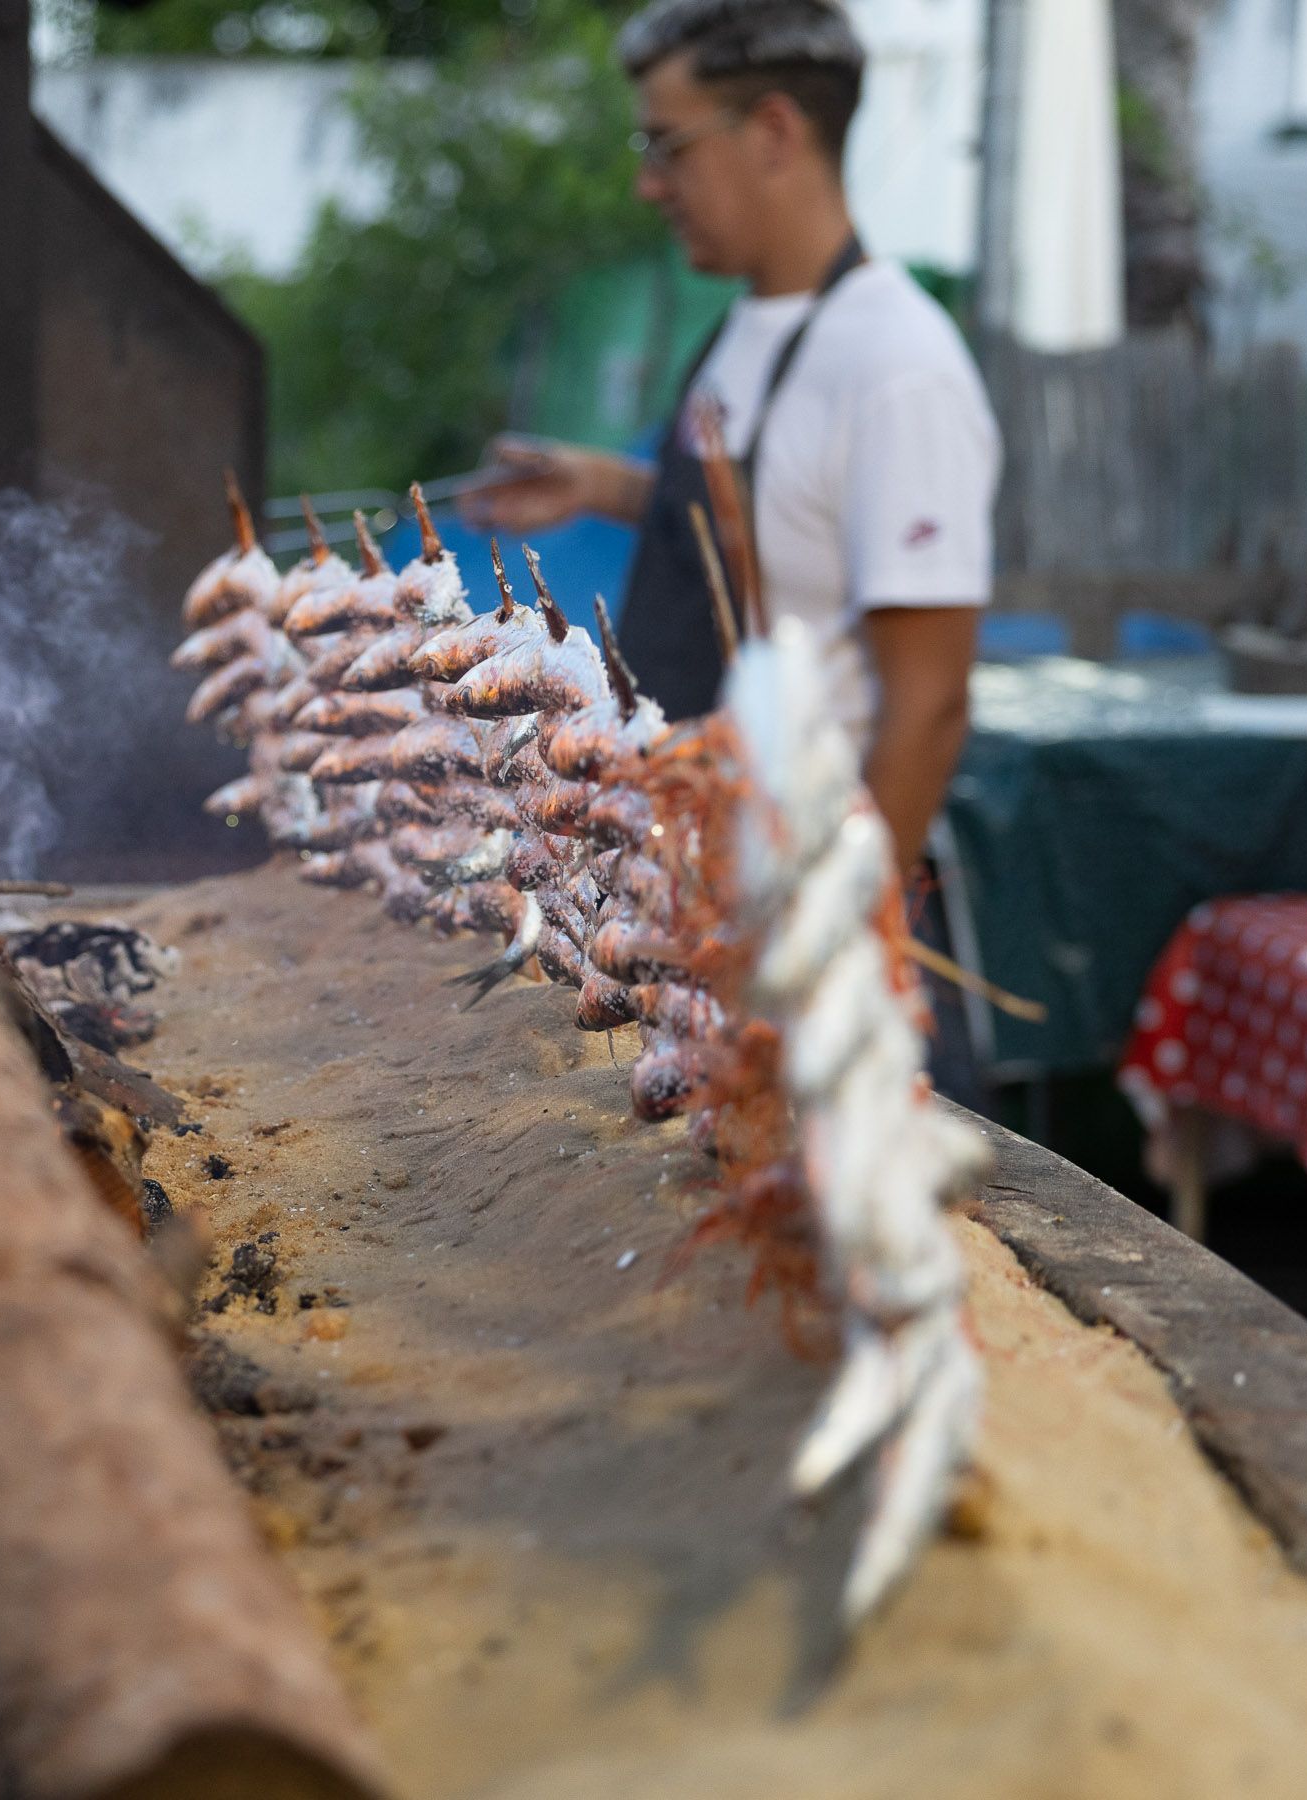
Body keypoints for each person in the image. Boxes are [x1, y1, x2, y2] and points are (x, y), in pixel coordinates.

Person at [462, 0, 999, 1100]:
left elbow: (930, 702)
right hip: (708, 899)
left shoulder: (898, 369)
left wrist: (827, 943)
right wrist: (608, 486)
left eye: (667, 145)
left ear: (774, 134)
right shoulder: (748, 326)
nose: (648, 184)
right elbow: (768, 521)